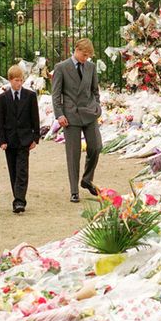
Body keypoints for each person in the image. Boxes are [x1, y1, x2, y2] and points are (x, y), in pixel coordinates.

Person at [52, 38, 102, 203]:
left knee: (96, 147)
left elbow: (95, 90)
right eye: (84, 54)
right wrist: (59, 114)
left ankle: (87, 179)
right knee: (73, 154)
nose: (86, 58)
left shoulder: (91, 67)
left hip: (89, 113)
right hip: (70, 116)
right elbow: (56, 94)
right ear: (77, 49)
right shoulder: (61, 67)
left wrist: (97, 106)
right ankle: (74, 190)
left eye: (88, 56)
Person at [0, 65, 40, 213]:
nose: (19, 83)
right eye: (16, 80)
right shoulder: (2, 98)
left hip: (25, 139)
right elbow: (0, 121)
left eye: (21, 80)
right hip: (9, 140)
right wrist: (1, 140)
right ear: (10, 80)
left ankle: (20, 201)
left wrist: (36, 137)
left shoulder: (30, 96)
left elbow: (35, 118)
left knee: (22, 170)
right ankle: (17, 197)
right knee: (13, 170)